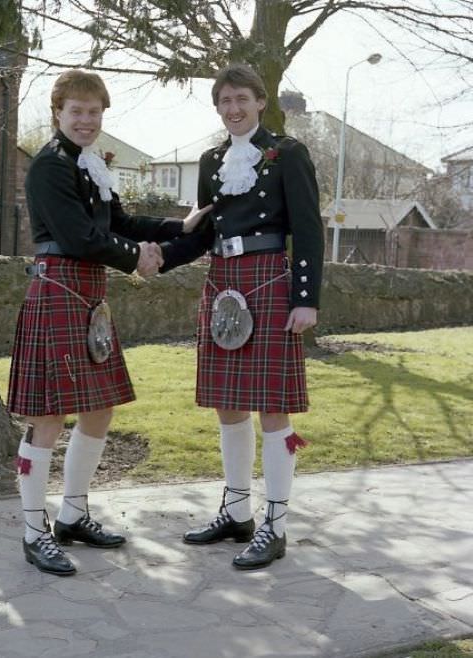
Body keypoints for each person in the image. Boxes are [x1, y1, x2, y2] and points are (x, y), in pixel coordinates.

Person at [7, 69, 209, 577]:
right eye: (76, 111)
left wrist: (173, 227)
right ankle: (35, 531)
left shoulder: (90, 165)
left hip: (89, 295)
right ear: (58, 113)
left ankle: (73, 515)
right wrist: (136, 258)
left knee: (98, 411)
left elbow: (116, 223)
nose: (85, 120)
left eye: (94, 112)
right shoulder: (50, 167)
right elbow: (78, 237)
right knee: (48, 417)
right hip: (58, 289)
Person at [158, 63, 324, 570]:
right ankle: (236, 512)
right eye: (224, 101)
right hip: (223, 281)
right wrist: (157, 257)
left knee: (272, 407)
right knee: (228, 405)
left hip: (272, 282)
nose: (233, 109)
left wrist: (305, 298)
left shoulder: (287, 153)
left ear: (259, 101)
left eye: (241, 99)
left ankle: (275, 525)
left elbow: (309, 229)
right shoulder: (211, 161)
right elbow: (200, 232)